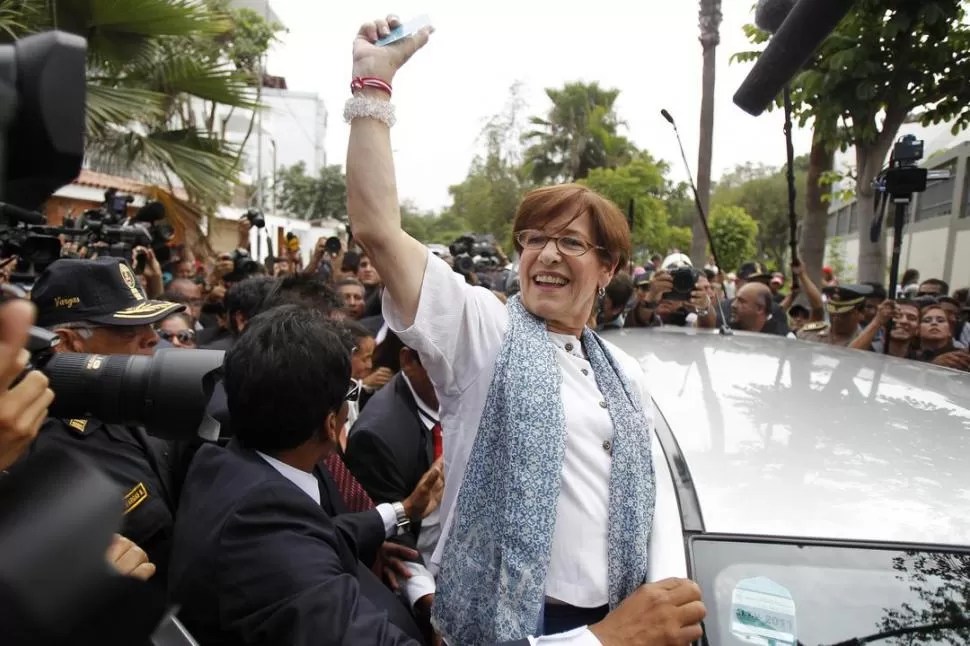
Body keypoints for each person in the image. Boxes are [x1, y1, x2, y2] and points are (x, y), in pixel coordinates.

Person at [345, 15, 705, 646]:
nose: (546, 255)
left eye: (570, 241)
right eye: (534, 240)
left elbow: (653, 506)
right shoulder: (485, 332)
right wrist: (372, 89)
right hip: (516, 623)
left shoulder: (624, 373)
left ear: (609, 268)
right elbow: (377, 229)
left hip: (617, 614)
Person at [26, 257, 189, 589]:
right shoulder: (36, 453)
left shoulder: (134, 401)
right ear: (69, 343)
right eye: (128, 330)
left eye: (152, 326)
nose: (151, 339)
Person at [797, 285, 872, 346]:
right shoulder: (809, 334)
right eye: (832, 314)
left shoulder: (865, 343)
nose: (835, 319)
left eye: (843, 315)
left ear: (860, 314)